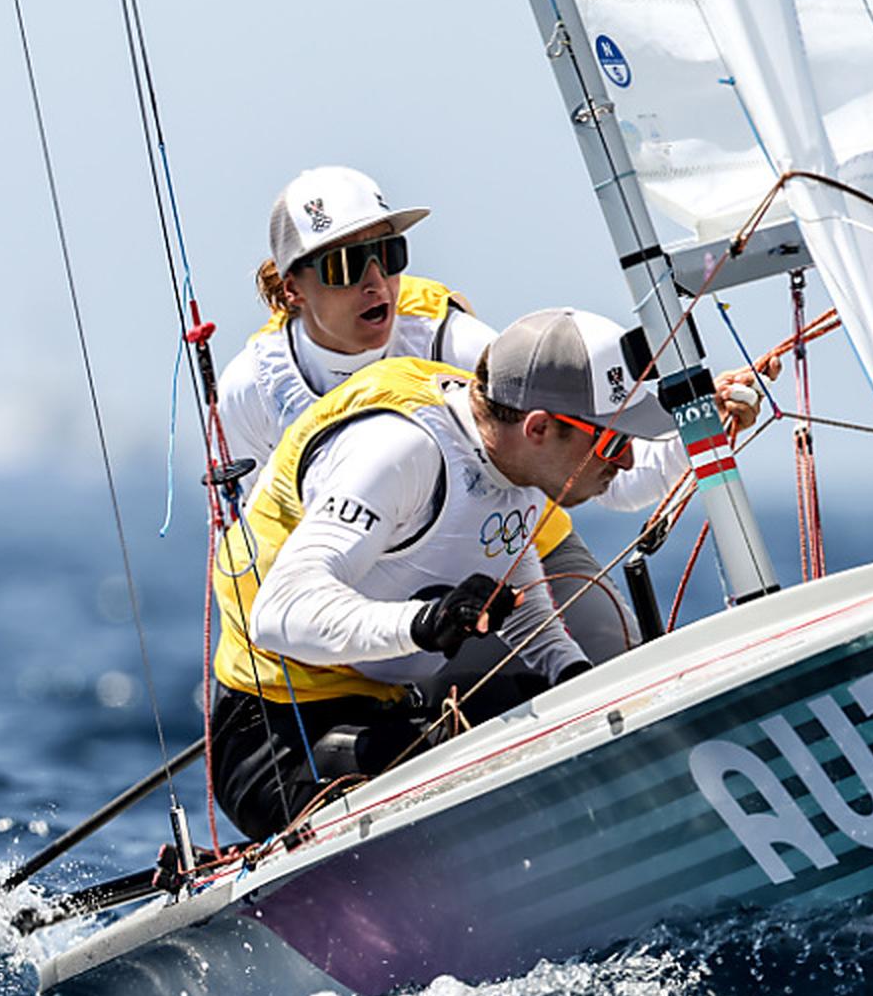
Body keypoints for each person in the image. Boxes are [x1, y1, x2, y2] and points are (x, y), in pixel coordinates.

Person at [208, 308, 728, 841]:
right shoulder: (399, 452)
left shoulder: (518, 460)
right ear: (540, 427)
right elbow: (277, 615)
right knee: (501, 761)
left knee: (553, 715)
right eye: (613, 443)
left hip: (384, 705)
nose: (623, 462)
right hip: (276, 741)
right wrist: (424, 624)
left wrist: (579, 682)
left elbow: (531, 616)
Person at [215, 165, 637, 662]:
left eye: (389, 256)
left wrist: (696, 434)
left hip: (516, 544)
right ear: (292, 290)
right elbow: (257, 537)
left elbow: (593, 466)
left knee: (615, 650)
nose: (376, 283)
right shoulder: (252, 387)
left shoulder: (454, 342)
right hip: (374, 566)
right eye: (345, 266)